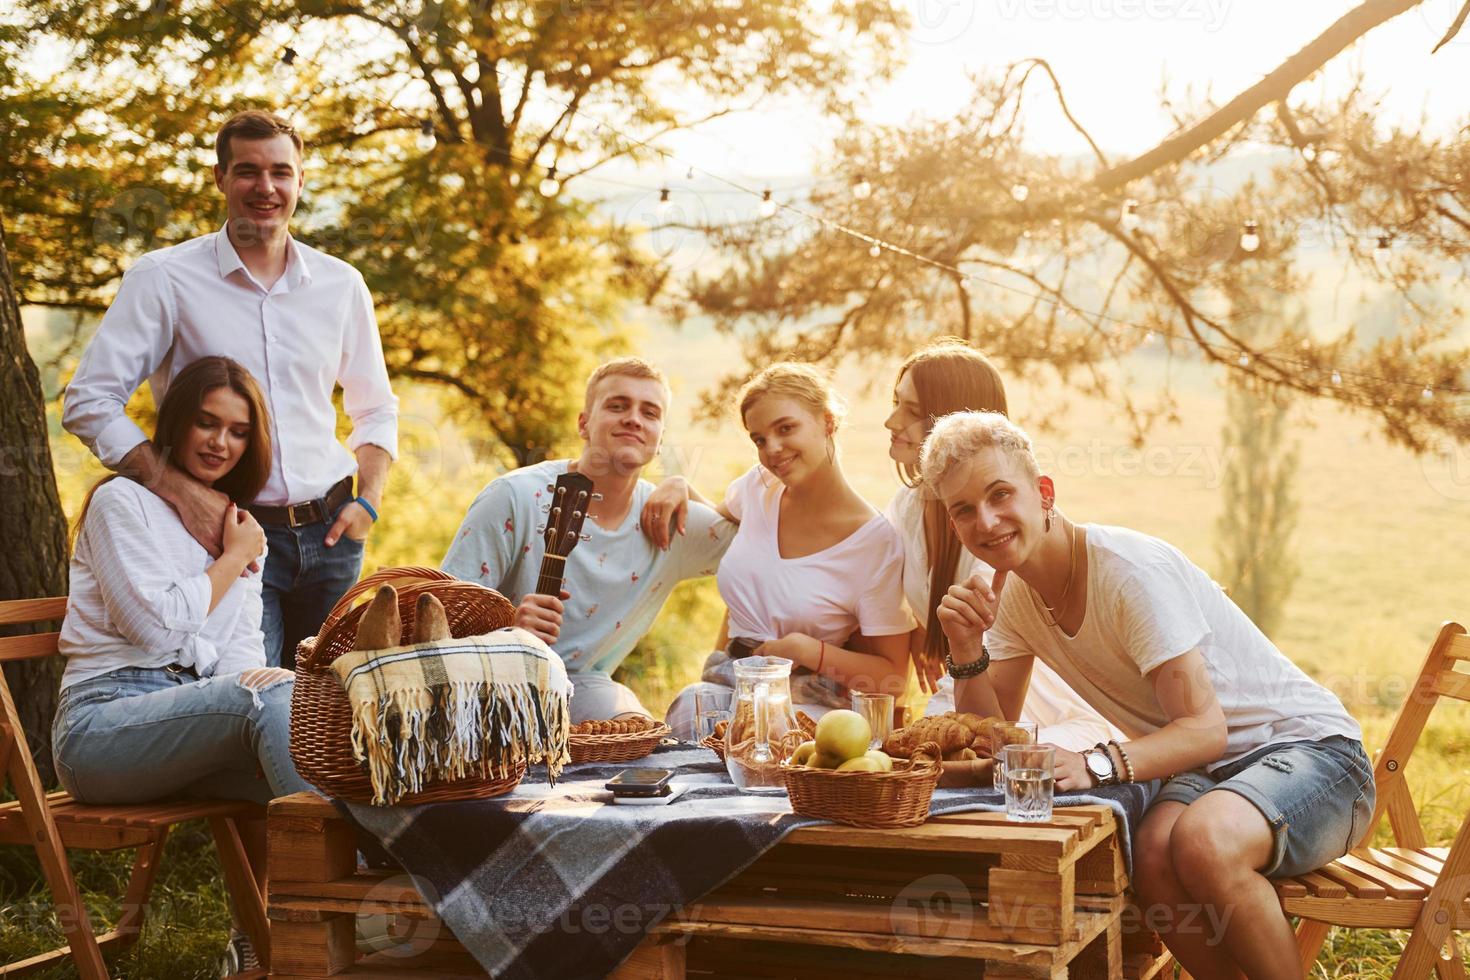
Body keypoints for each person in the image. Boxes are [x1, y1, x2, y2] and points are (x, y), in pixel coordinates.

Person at [924, 411, 1372, 980]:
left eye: (1000, 494)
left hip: (1318, 758)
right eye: (963, 509)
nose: (985, 521)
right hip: (1216, 771)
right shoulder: (1015, 598)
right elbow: (993, 738)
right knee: (1154, 855)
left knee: (1204, 841)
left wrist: (1096, 763)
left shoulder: (1128, 572)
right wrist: (967, 649)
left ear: (1043, 493)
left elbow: (1205, 727)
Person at [64, 109, 399, 669]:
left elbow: (376, 406)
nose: (265, 187)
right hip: (227, 536)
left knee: (332, 714)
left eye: (280, 172)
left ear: (299, 180)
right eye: (247, 171)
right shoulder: (164, 278)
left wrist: (369, 500)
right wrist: (177, 488)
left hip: (334, 536)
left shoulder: (341, 285)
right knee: (247, 699)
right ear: (220, 178)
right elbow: (89, 400)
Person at [54, 356, 316, 971]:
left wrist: (279, 685)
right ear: (176, 423)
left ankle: (271, 937)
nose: (220, 442)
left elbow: (242, 655)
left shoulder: (238, 524)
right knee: (263, 701)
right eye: (206, 423)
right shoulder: (122, 503)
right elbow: (149, 627)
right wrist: (232, 559)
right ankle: (347, 895)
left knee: (301, 709)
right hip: (101, 731)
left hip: (186, 725)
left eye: (238, 430)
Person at [441, 357, 734, 723]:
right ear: (584, 424)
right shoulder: (514, 497)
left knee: (634, 732)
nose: (633, 419)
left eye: (650, 412)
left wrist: (689, 489)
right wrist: (507, 630)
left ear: (659, 440)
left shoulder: (669, 518)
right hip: (485, 682)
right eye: (617, 406)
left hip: (583, 688)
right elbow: (440, 619)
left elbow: (768, 542)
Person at [653, 363, 911, 741]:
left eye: (786, 429)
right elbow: (714, 526)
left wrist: (804, 649)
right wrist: (678, 485)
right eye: (759, 439)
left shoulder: (875, 543)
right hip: (726, 683)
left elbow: (891, 679)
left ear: (827, 422)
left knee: (764, 736)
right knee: (688, 708)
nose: (772, 450)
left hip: (807, 706)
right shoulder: (758, 487)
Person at [883, 341, 1117, 751]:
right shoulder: (907, 508)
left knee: (947, 753)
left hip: (1041, 704)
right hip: (976, 692)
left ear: (950, 420)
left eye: (912, 411)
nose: (890, 421)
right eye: (896, 403)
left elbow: (987, 684)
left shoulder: (1002, 538)